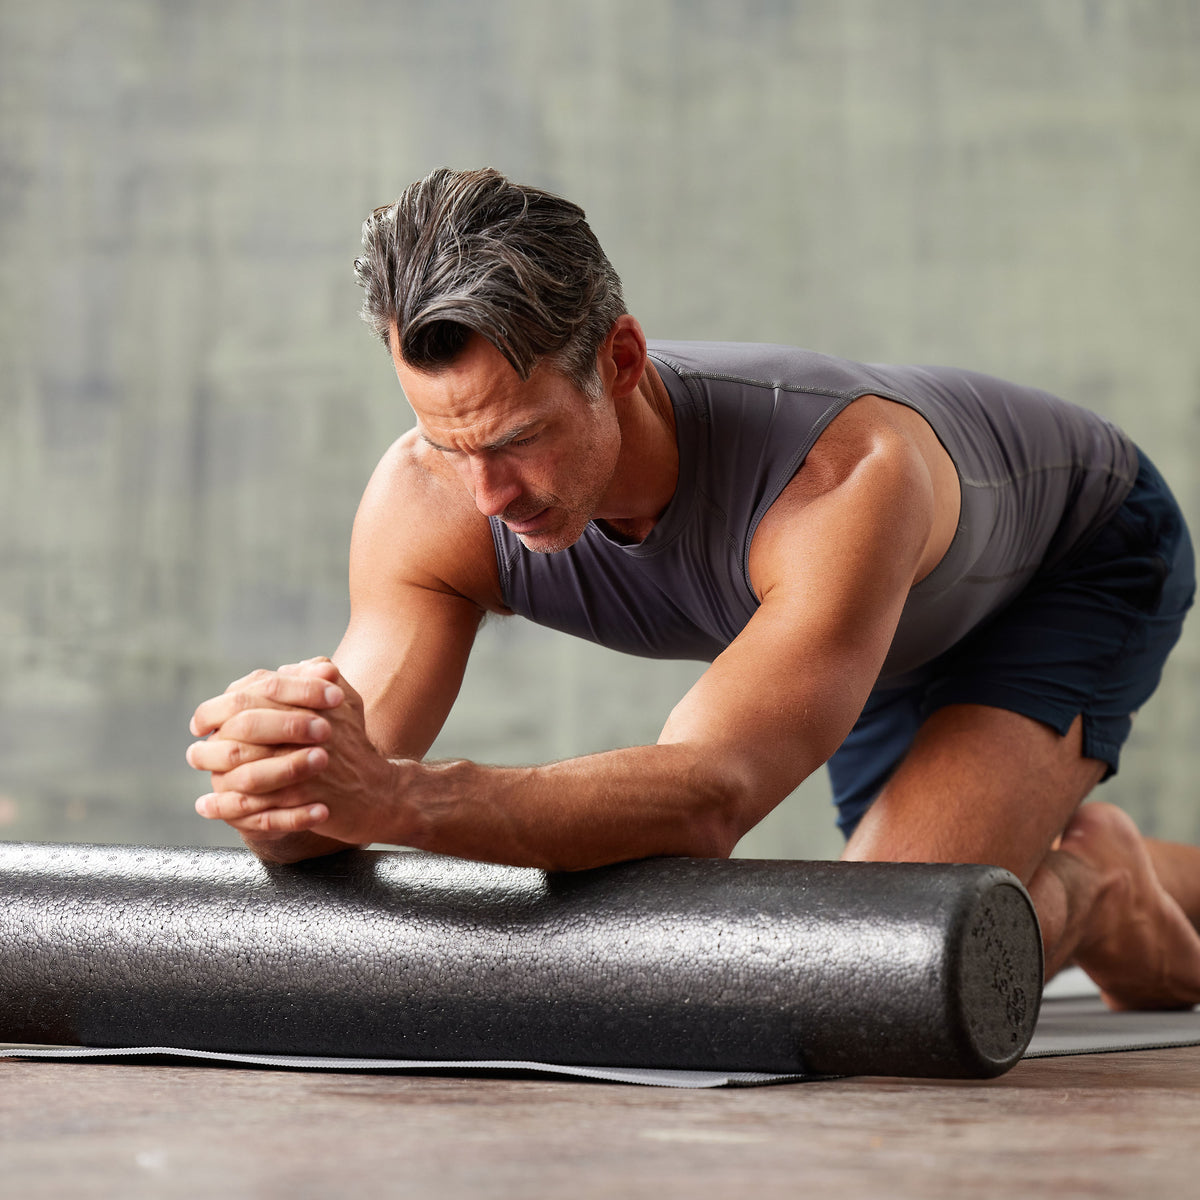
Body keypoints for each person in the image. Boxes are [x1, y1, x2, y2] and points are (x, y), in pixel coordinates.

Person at [186, 167, 1200, 1010]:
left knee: (880, 962)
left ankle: (1099, 883)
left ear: (620, 359)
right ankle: (1108, 883)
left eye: (521, 440)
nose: (489, 495)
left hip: (1075, 560)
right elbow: (336, 793)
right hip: (874, 623)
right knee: (901, 922)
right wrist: (275, 769)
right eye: (451, 446)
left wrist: (398, 795)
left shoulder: (844, 479)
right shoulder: (427, 496)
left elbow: (710, 796)